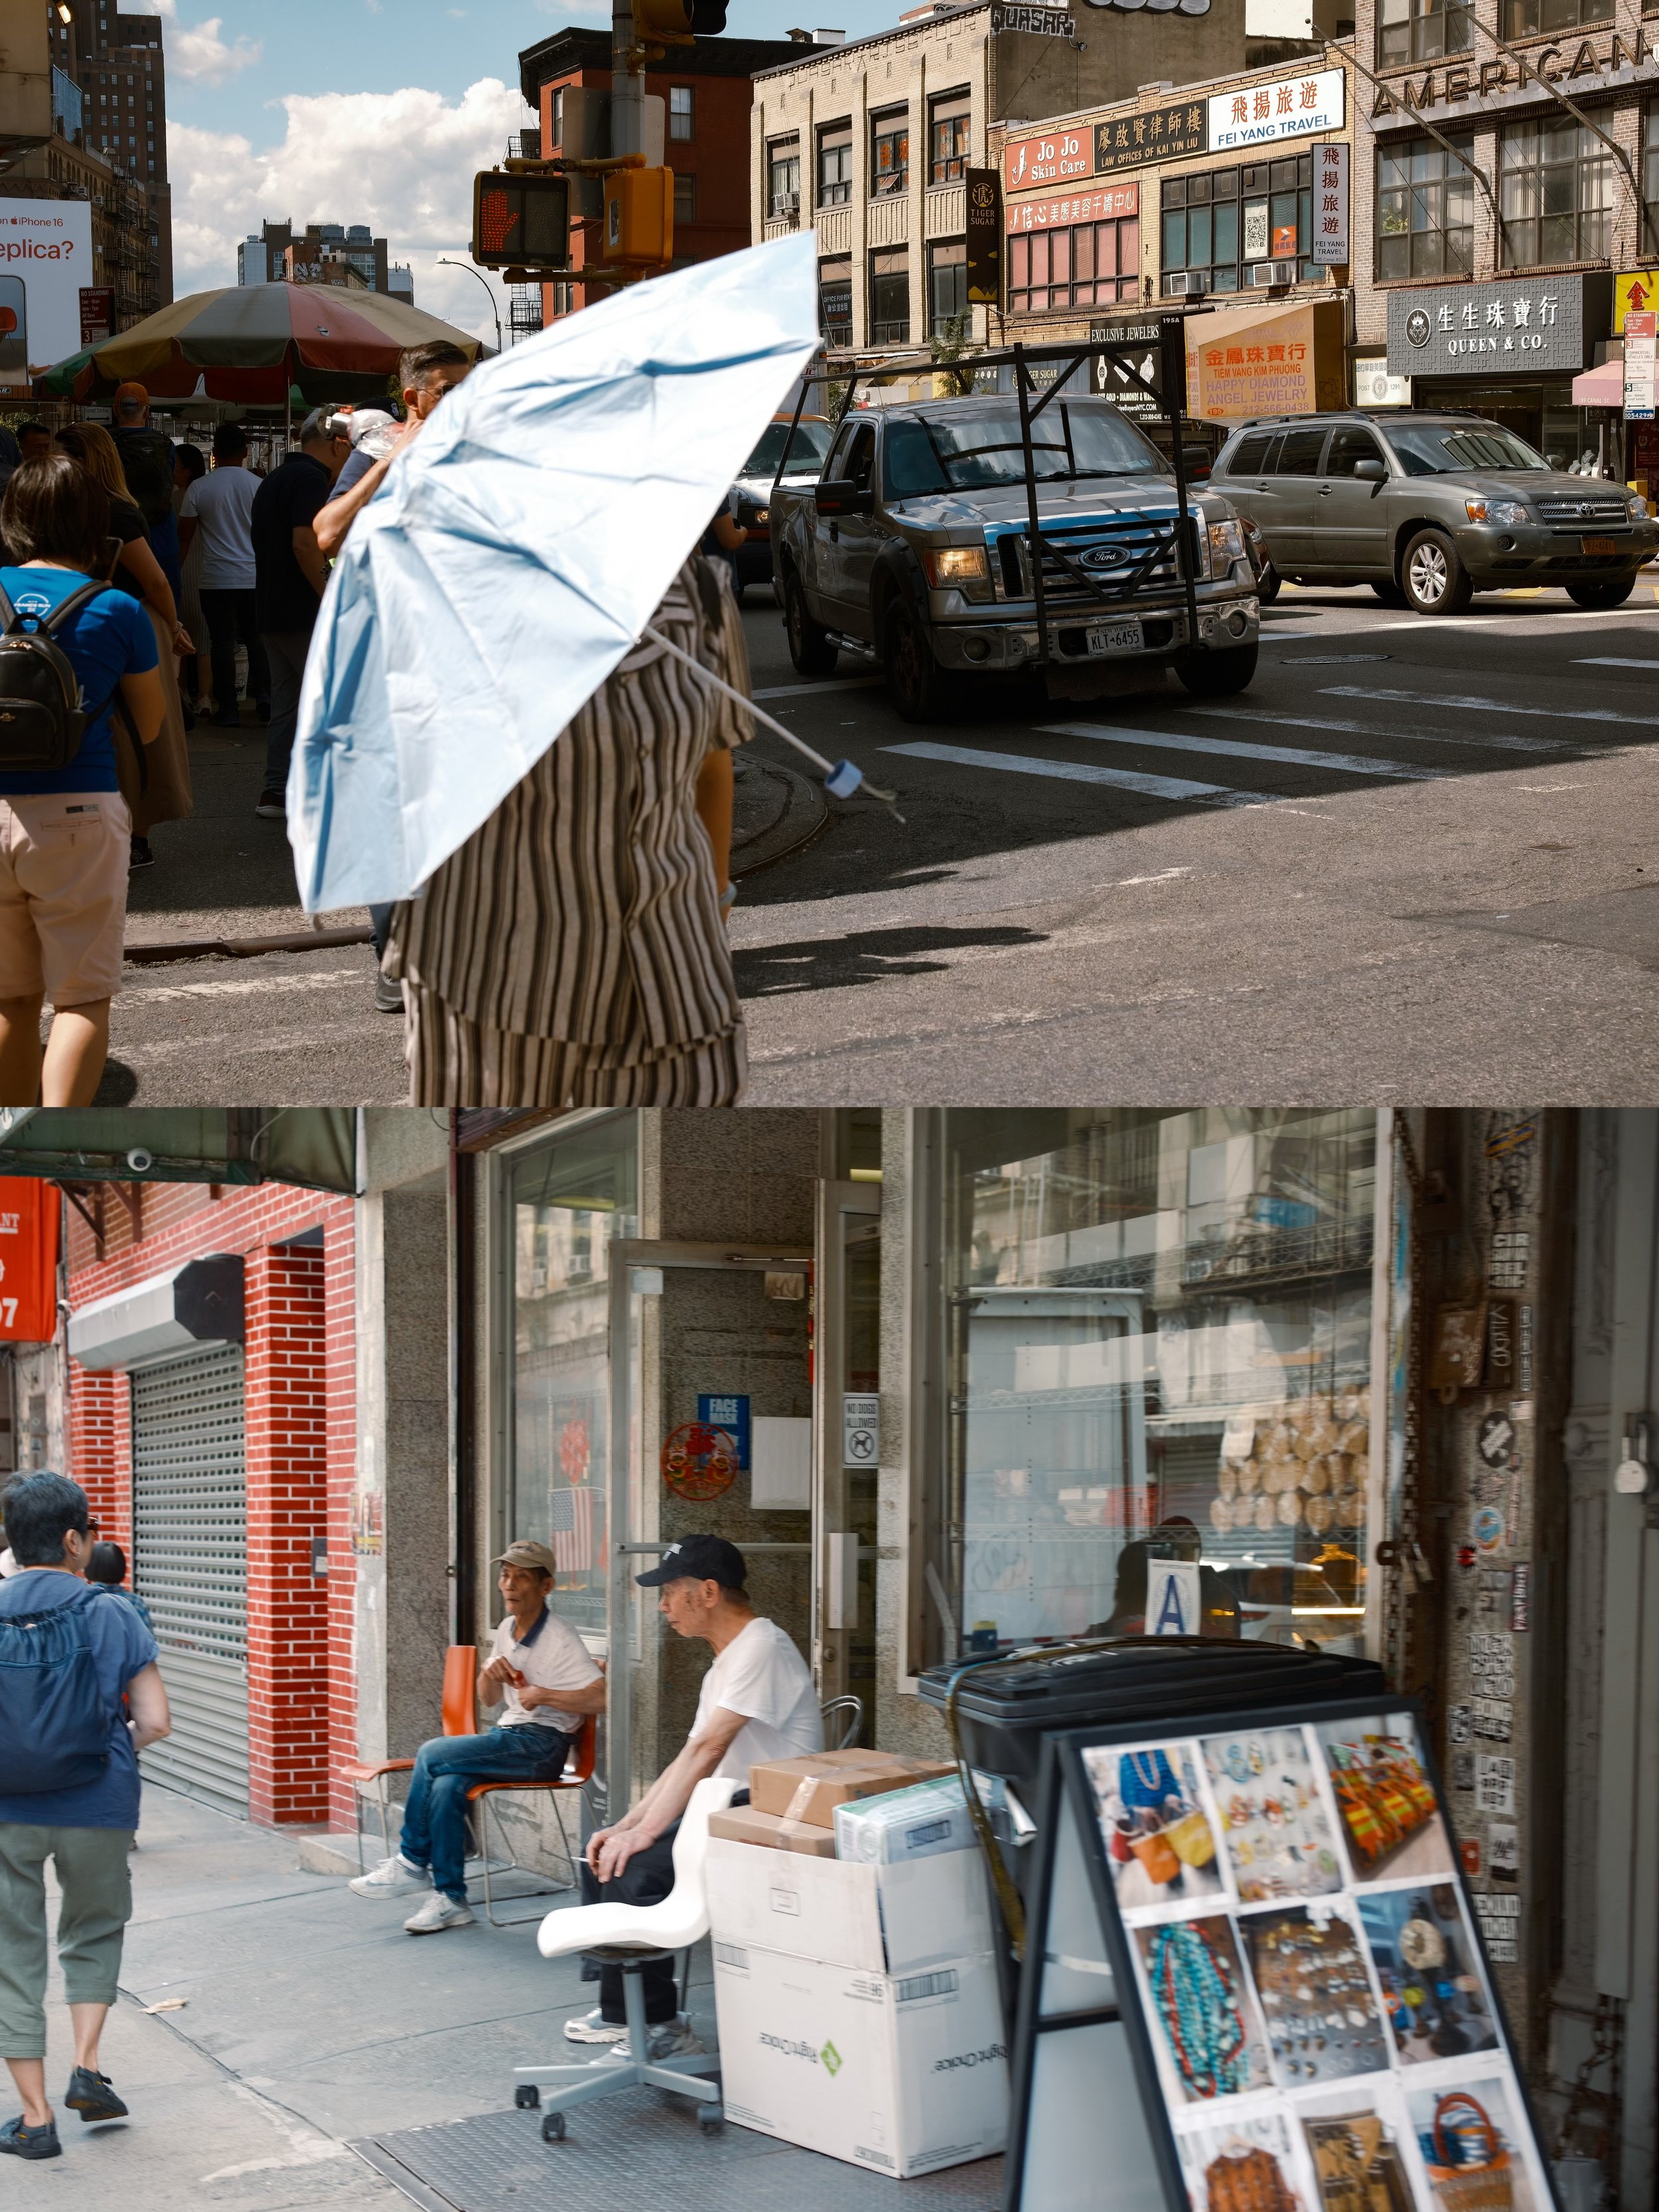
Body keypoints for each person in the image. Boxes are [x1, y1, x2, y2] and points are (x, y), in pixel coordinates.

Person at [386, 552, 753, 1105]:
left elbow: (712, 763)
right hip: (495, 995)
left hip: (676, 975)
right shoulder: (448, 587)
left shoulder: (702, 591)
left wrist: (718, 901)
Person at [570, 1535, 820, 2058]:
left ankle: (662, 2024)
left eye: (670, 1593)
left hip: (763, 1813)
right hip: (725, 1805)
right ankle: (625, 2012)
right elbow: (687, 1758)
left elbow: (709, 1750)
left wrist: (642, 1834)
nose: (662, 1606)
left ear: (707, 1592)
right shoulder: (726, 1660)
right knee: (603, 1848)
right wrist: (627, 1824)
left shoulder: (761, 1646)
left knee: (635, 1870)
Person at [0, 1473, 171, 2160]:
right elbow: (156, 1720)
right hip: (99, 1801)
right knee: (94, 1930)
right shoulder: (112, 1611)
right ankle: (89, 2066)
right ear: (74, 1540)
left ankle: (35, 2119)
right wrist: (107, 1743)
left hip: (7, 1806)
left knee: (14, 1953)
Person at [0, 457, 165, 1105]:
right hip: (78, 813)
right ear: (94, 521)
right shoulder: (117, 608)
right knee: (80, 1000)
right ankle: (62, 1135)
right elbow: (149, 727)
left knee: (11, 999)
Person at [348, 1541, 605, 1935]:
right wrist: (489, 1674)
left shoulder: (560, 1637)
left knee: (432, 1753)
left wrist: (545, 1695)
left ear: (547, 1586)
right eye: (505, 1575)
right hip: (512, 1735)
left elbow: (602, 1697)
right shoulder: (507, 1628)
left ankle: (412, 1862)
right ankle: (451, 1899)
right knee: (449, 1783)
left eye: (522, 1577)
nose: (509, 1585)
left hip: (542, 1746)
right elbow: (487, 1699)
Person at [55, 425, 194, 871]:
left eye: (63, 458)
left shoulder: (113, 513)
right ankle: (122, 835)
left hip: (125, 623)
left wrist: (172, 626)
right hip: (97, 624)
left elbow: (154, 581)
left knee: (133, 733)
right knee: (111, 730)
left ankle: (135, 836)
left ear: (86, 461)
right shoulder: (90, 508)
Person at [249, 408, 350, 825]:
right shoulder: (311, 479)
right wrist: (331, 598)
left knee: (288, 703)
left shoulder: (273, 478)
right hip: (305, 611)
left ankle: (278, 789)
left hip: (272, 609)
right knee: (330, 701)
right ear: (339, 444)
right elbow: (305, 545)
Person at [312, 339, 472, 562]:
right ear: (412, 399)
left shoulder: (475, 454)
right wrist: (391, 459)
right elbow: (330, 535)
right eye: (449, 391)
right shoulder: (379, 449)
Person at [180, 423, 267, 733]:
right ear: (245, 453)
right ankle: (264, 699)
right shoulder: (259, 486)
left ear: (214, 454)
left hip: (215, 577)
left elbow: (185, 537)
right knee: (257, 638)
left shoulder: (199, 488)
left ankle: (228, 709)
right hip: (254, 575)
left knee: (222, 642)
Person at [108, 384, 179, 602]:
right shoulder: (166, 444)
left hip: (121, 540)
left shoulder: (106, 444)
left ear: (115, 409)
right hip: (163, 537)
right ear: (147, 411)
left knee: (123, 613)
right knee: (166, 610)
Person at [171, 443, 210, 716]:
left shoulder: (176, 498)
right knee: (204, 639)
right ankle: (206, 698)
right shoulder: (208, 491)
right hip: (207, 571)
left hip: (182, 570)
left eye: (174, 465)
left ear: (186, 469)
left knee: (180, 638)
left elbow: (179, 538)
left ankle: (182, 693)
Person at [84, 1542, 153, 1636]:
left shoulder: (83, 1601)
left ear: (90, 1567)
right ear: (122, 1568)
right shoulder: (136, 1602)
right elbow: (149, 1643)